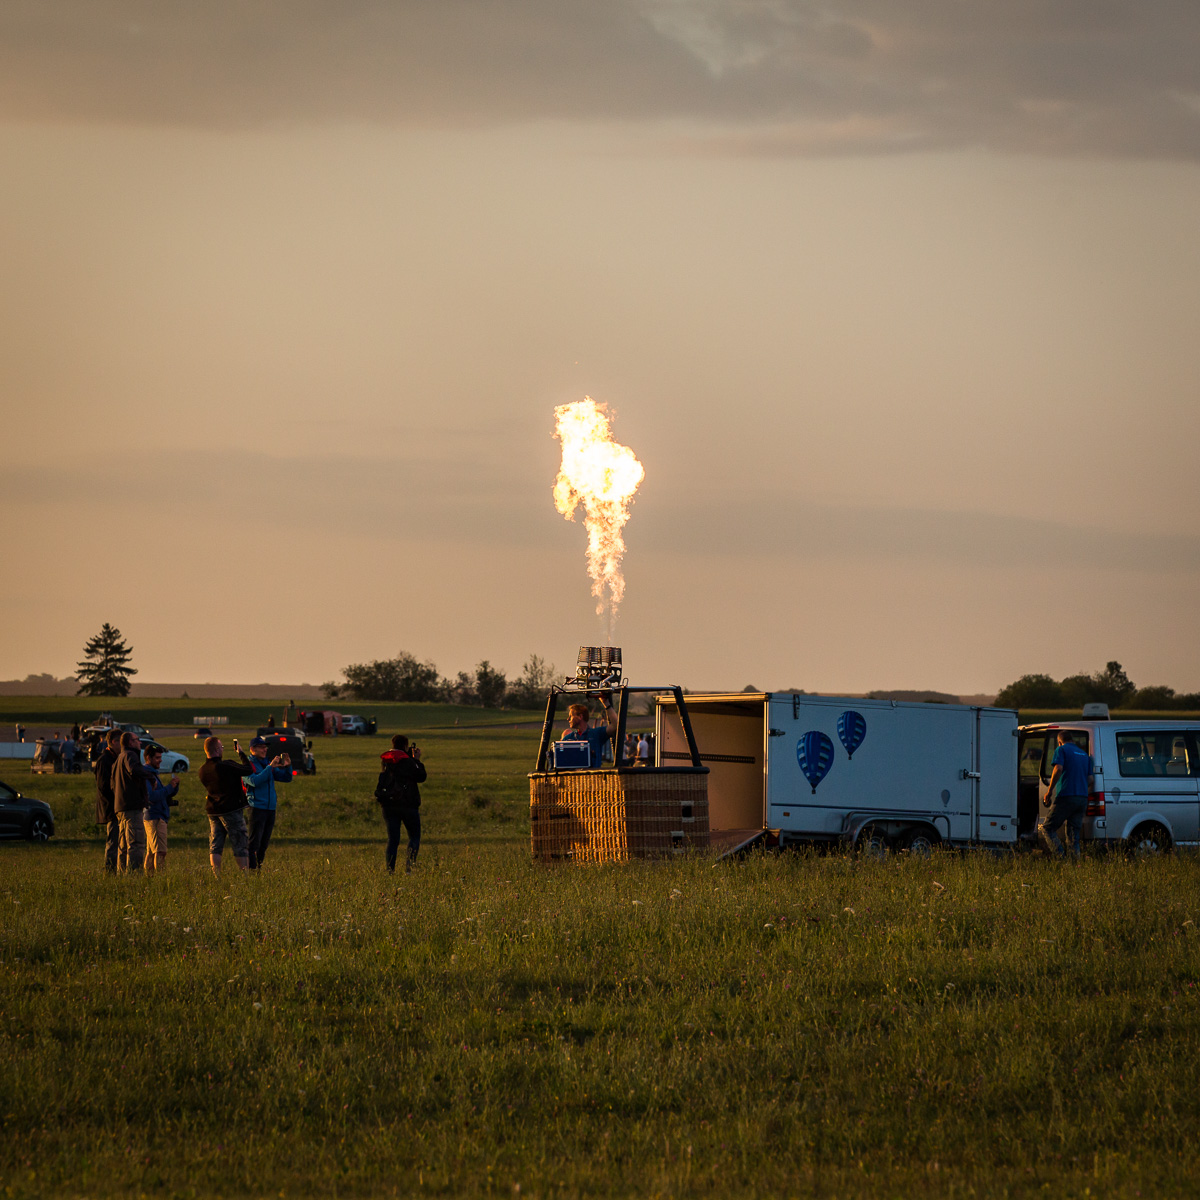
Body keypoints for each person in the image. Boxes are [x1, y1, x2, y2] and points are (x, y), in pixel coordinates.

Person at [198, 736, 254, 877]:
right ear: (217, 750)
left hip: (213, 809)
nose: (222, 749)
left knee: (216, 843)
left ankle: (216, 874)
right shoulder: (225, 765)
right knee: (240, 842)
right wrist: (241, 753)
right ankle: (245, 874)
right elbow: (248, 770)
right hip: (231, 809)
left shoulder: (202, 770)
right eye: (221, 747)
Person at [374, 734, 427, 872]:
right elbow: (421, 776)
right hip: (408, 804)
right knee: (414, 837)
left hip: (389, 805)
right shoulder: (408, 762)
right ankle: (410, 868)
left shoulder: (386, 761)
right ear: (405, 745)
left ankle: (390, 870)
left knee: (393, 840)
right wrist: (416, 760)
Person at [244, 735, 292, 870]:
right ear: (252, 749)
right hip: (256, 808)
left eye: (266, 747)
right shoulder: (247, 764)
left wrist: (288, 766)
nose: (265, 750)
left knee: (264, 844)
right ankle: (251, 871)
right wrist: (270, 767)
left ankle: (258, 869)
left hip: (270, 808)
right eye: (261, 747)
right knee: (254, 843)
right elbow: (254, 781)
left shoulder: (266, 764)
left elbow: (286, 778)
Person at [1041, 731, 1092, 858]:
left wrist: (1050, 790)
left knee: (1047, 828)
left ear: (1059, 742)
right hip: (1082, 798)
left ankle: (1060, 858)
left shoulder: (1061, 750)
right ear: (1072, 740)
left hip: (1066, 796)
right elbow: (1091, 779)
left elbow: (1058, 769)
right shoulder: (1085, 755)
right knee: (1073, 834)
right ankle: (1074, 863)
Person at [113, 731, 157, 874]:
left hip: (120, 807)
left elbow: (112, 784)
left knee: (123, 845)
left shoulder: (119, 758)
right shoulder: (130, 756)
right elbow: (134, 770)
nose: (140, 742)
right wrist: (150, 777)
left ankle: (121, 873)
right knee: (136, 843)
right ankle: (134, 874)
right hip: (132, 806)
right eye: (137, 740)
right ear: (130, 742)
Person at [141, 743, 180, 876]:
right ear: (148, 758)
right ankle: (159, 878)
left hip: (155, 816)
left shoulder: (152, 774)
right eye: (157, 758)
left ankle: (150, 878)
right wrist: (169, 787)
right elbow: (151, 796)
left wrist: (174, 787)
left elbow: (162, 793)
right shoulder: (147, 775)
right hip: (155, 817)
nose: (160, 760)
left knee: (152, 852)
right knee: (160, 852)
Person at [557, 692, 618, 768]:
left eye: (571, 716)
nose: (568, 719)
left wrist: (606, 704)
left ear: (580, 717)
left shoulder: (596, 734)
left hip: (593, 777)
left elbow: (616, 726)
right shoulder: (568, 739)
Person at [94, 728, 123, 873]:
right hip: (111, 808)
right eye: (121, 742)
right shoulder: (104, 760)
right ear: (113, 742)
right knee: (113, 841)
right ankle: (110, 871)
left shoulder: (114, 758)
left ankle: (116, 869)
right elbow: (103, 786)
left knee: (118, 841)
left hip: (117, 806)